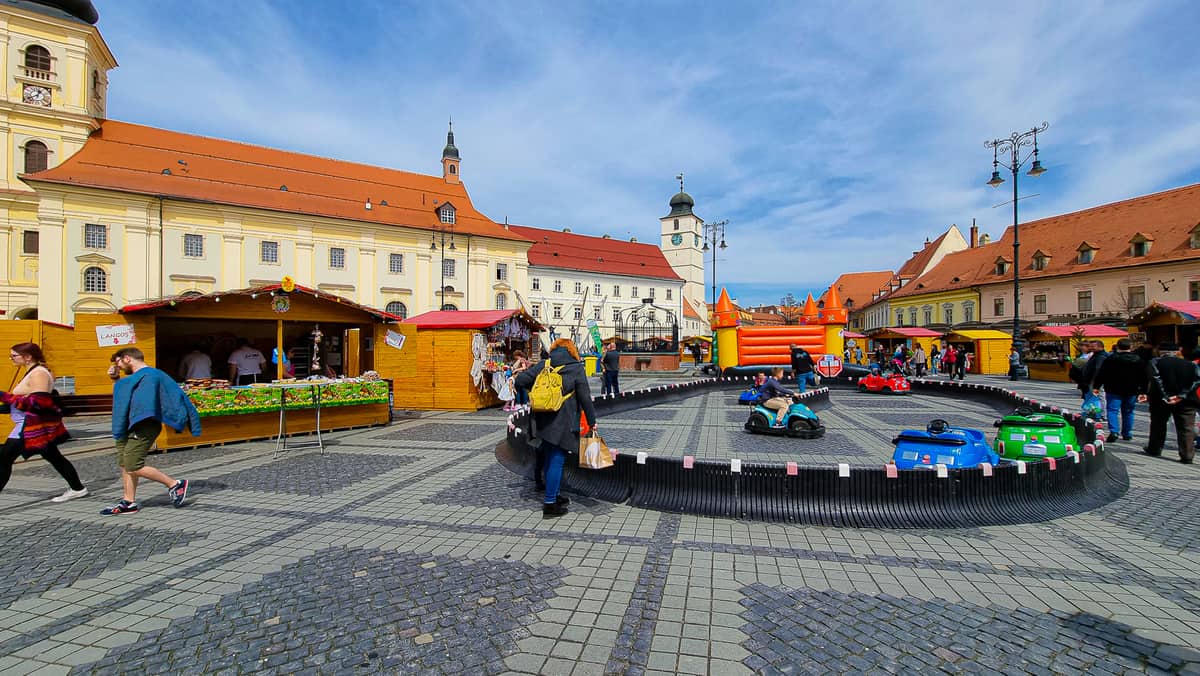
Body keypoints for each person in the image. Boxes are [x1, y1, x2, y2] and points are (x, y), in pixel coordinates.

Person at [103, 347, 201, 515]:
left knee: (133, 465)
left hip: (143, 425)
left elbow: (170, 397)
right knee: (125, 463)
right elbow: (125, 396)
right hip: (128, 424)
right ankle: (129, 501)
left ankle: (174, 484)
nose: (117, 366)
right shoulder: (137, 378)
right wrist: (115, 379)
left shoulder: (152, 375)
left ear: (127, 358)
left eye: (118, 362)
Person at [513, 338, 597, 518]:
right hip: (563, 422)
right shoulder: (575, 368)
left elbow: (520, 380)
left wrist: (536, 391)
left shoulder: (545, 364)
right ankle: (550, 503)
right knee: (557, 460)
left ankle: (555, 495)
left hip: (542, 420)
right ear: (572, 350)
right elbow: (585, 397)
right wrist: (592, 420)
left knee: (550, 456)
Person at [0, 343, 87, 502]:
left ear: (28, 357)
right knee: (55, 457)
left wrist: (3, 396)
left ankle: (78, 488)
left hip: (29, 427)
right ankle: (78, 488)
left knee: (3, 459)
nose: (11, 359)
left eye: (14, 356)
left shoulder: (38, 373)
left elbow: (39, 402)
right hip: (32, 426)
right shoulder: (32, 372)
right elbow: (23, 400)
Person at [1144, 343, 1198, 463]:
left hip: (1160, 400)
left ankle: (1155, 448)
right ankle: (1187, 455)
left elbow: (1156, 378)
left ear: (1160, 352)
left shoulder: (1155, 362)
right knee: (1186, 428)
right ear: (1177, 351)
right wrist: (1181, 395)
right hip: (1186, 401)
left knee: (1158, 424)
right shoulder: (1190, 364)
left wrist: (1166, 395)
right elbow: (1196, 380)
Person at [1094, 338, 1146, 443]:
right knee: (1128, 411)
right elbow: (1144, 376)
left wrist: (1096, 386)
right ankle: (1127, 433)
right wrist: (1143, 391)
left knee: (1112, 411)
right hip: (1132, 390)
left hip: (1113, 389)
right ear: (1130, 347)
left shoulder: (1111, 359)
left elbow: (1102, 373)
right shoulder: (1138, 360)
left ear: (1118, 347)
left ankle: (1114, 431)